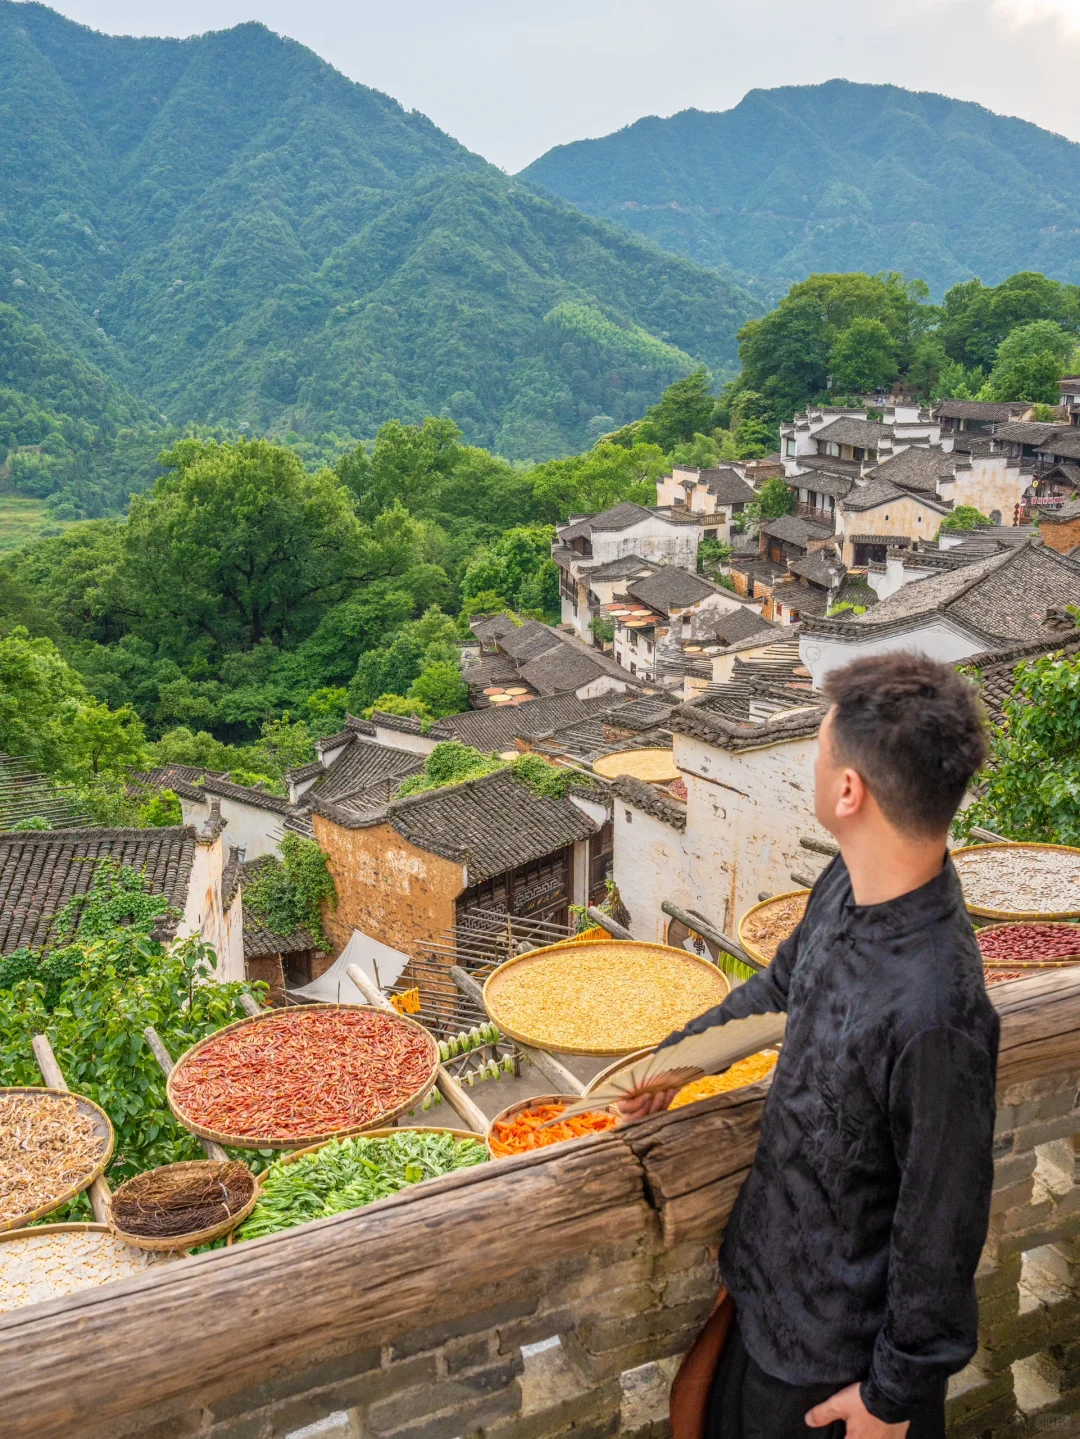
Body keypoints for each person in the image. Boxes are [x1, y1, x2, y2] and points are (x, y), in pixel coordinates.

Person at [619, 653, 999, 1439]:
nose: (813, 764)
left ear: (849, 791)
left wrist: (890, 1397)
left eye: (820, 751)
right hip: (769, 1283)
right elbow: (781, 985)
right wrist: (678, 1061)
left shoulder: (938, 1008)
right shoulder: (848, 881)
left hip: (837, 1358)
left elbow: (944, 1221)